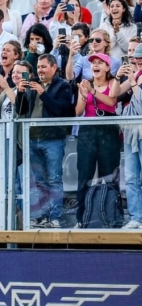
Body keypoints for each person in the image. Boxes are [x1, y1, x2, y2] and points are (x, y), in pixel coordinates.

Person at [14, 54, 73, 229]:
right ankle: (43, 216)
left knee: (54, 180)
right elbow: (21, 110)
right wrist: (20, 93)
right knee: (39, 181)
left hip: (53, 139)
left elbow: (60, 110)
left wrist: (42, 93)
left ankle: (55, 218)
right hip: (32, 138)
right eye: (38, 67)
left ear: (54, 67)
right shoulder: (31, 85)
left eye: (43, 67)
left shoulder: (63, 86)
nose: (40, 70)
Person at [73, 53, 120, 228]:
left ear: (107, 67)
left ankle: (113, 216)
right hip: (88, 132)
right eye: (93, 63)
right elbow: (78, 112)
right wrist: (84, 94)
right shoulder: (86, 84)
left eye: (100, 62)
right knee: (84, 175)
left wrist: (93, 92)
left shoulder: (113, 82)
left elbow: (111, 102)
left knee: (110, 175)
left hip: (108, 131)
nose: (96, 65)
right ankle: (81, 218)